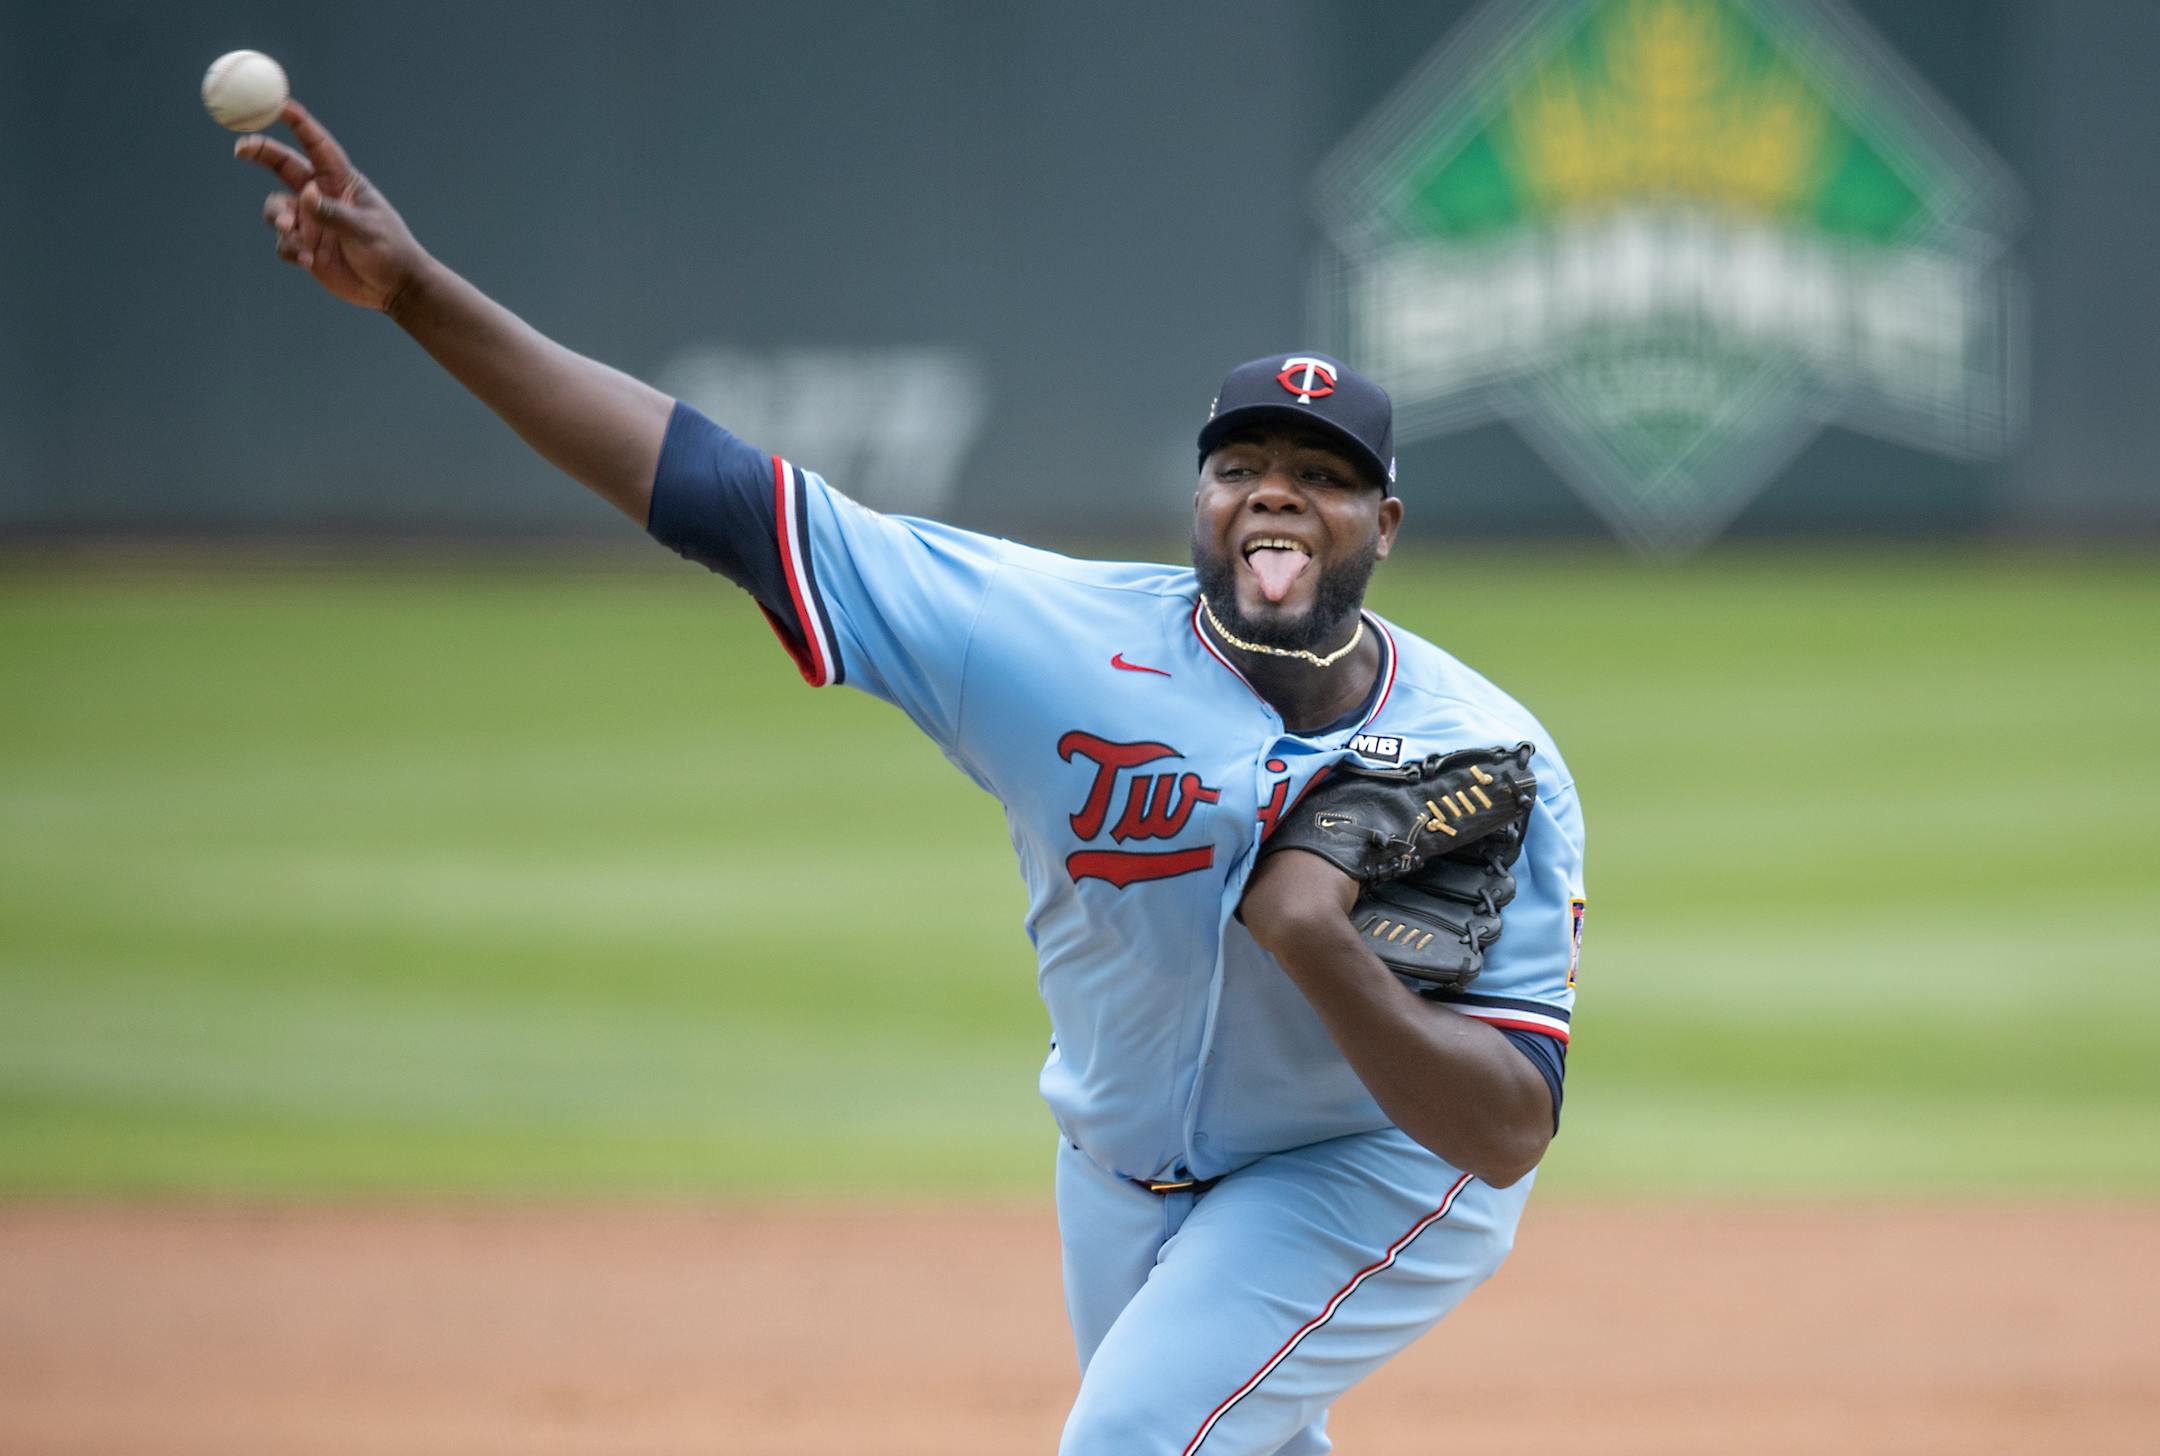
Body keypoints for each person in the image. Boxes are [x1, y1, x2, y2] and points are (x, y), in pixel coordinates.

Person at [236, 100, 1585, 1456]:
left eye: (1325, 478)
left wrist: (1313, 940)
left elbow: (1510, 1127)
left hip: (1364, 1169)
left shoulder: (1485, 755)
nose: (1278, 494)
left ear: (1384, 525)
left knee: (1130, 1442)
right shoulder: (1045, 640)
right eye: (1244, 466)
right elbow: (713, 492)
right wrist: (414, 292)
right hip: (1117, 1167)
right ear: (1200, 501)